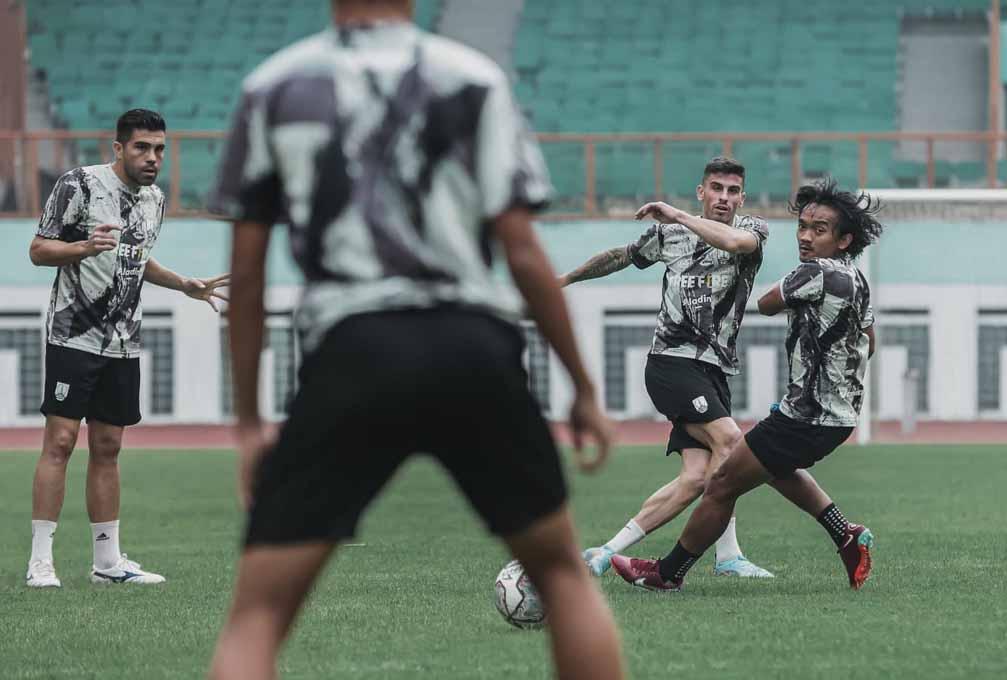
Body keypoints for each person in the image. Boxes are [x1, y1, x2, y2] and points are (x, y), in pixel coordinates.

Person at [205, 1, 625, 678]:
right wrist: (583, 388)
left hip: (352, 351)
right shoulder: (474, 77)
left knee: (257, 614)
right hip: (472, 345)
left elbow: (247, 274)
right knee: (562, 576)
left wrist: (250, 422)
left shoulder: (275, 85)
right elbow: (521, 250)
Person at [609, 178, 883, 592]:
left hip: (806, 416)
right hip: (838, 416)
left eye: (819, 230)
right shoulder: (859, 281)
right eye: (803, 226)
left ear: (844, 240)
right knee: (772, 467)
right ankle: (845, 534)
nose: (806, 237)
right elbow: (870, 340)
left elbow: (766, 303)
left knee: (721, 483)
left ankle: (666, 574)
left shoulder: (814, 273)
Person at [25, 109, 229, 588]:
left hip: (122, 342)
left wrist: (184, 284)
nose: (152, 157)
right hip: (72, 335)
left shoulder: (154, 199)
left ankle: (107, 563)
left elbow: (136, 258)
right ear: (118, 148)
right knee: (59, 443)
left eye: (159, 149)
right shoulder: (79, 185)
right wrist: (82, 249)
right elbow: (37, 249)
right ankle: (40, 562)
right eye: (142, 147)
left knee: (109, 446)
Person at [560, 157, 774, 579]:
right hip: (672, 363)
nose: (724, 198)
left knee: (698, 477)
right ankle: (717, 557)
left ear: (742, 198)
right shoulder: (669, 236)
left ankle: (606, 552)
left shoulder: (753, 231)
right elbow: (620, 257)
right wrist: (563, 279)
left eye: (732, 191)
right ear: (702, 191)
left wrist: (676, 214)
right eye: (716, 188)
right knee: (731, 442)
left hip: (715, 369)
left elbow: (734, 245)